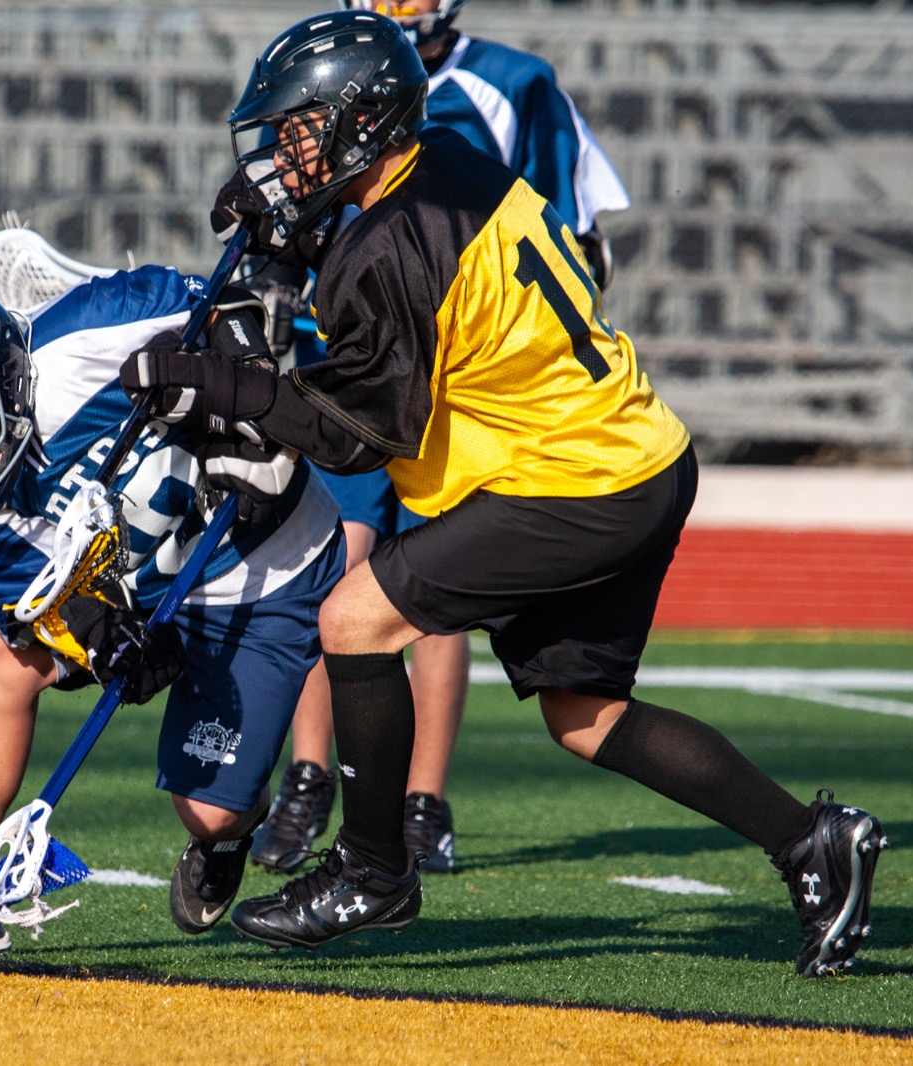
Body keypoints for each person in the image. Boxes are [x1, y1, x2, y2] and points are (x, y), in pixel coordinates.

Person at [119, 10, 887, 977]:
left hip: (571, 480)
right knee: (586, 715)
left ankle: (373, 870)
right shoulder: (442, 159)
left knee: (354, 621)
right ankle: (812, 841)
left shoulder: (389, 244)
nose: (285, 149)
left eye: (303, 127)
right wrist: (299, 236)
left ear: (362, 123)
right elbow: (414, 267)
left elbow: (359, 435)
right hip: (630, 455)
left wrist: (225, 387)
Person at [0, 266, 343, 959]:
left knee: (210, 811)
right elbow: (40, 610)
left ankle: (229, 836)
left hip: (258, 565)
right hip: (139, 583)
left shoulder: (85, 338)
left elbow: (226, 303)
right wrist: (105, 641)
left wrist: (250, 410)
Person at [251, 0, 634, 878]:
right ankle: (309, 778)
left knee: (429, 590)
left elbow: (567, 228)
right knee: (335, 570)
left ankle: (421, 801)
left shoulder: (513, 84)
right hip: (344, 358)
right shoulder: (325, 68)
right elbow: (290, 199)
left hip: (463, 381)